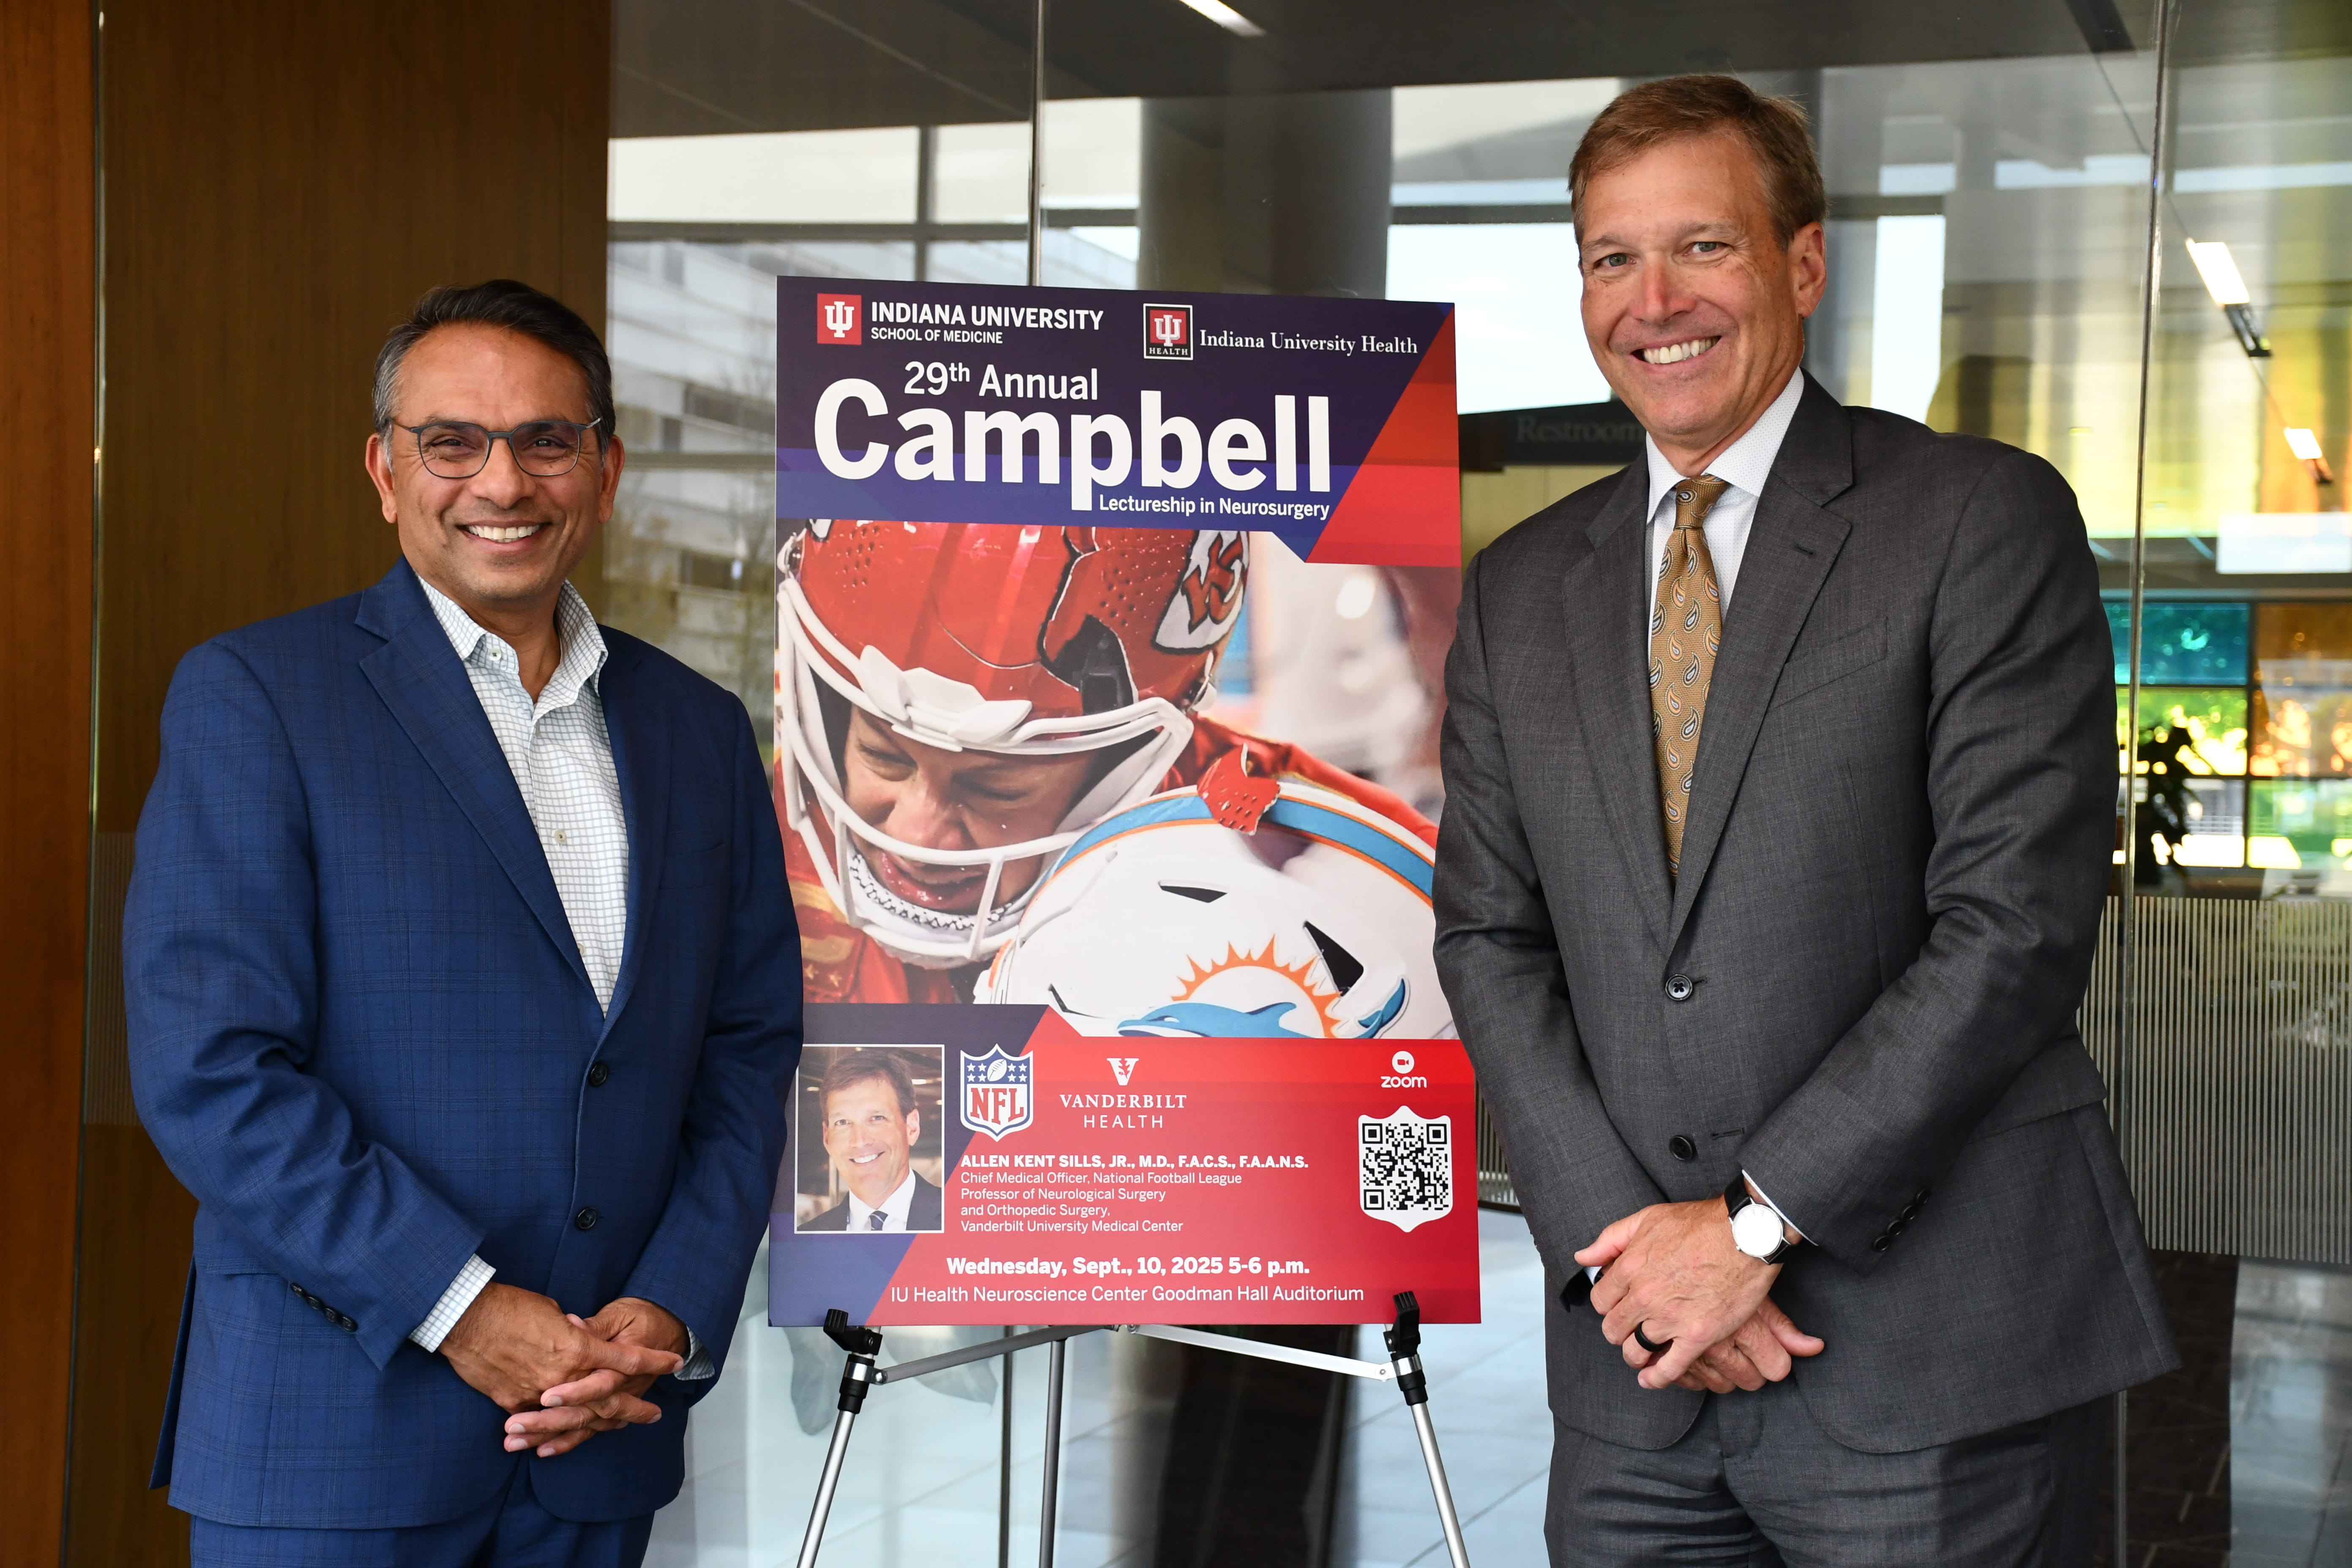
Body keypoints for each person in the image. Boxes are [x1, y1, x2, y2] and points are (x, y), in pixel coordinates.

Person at [1432, 76, 2177, 1564]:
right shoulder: (1519, 588)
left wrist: (1749, 1231)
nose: (1653, 301)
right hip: (1636, 1371)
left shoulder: (1973, 519)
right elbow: (1488, 937)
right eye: (1609, 258)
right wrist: (1634, 1263)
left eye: (1700, 246)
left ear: (1802, 263)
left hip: (1926, 1355)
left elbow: (2011, 927)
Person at [125, 280, 801, 1568]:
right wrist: (465, 1308)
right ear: (386, 473)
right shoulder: (258, 696)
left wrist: (672, 1305)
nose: (503, 481)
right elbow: (210, 1069)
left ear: (605, 472)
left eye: (546, 440)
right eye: (453, 442)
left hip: (599, 1435)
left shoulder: (699, 732)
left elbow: (746, 1047)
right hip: (332, 1441)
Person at [776, 519, 1435, 1004]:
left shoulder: (1338, 866)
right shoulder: (749, 837)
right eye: (883, 756)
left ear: (1120, 763)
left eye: (995, 787)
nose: (916, 835)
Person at [798, 1049, 944, 1231]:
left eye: (877, 1118)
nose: (860, 1141)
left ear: (912, 1128)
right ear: (827, 1138)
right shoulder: (808, 1236)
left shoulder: (963, 1220)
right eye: (843, 1122)